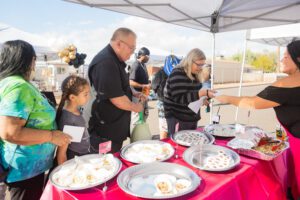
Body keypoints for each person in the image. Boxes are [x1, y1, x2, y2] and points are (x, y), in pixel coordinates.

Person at [216, 40, 300, 199]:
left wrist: (224, 97)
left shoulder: (288, 83)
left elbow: (252, 103)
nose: (281, 60)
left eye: (286, 56)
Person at [0, 40, 71, 200]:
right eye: (34, 59)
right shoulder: (18, 86)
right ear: (27, 60)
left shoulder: (13, 83)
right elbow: (10, 132)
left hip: (29, 169)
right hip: (24, 172)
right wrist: (52, 136)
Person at [88, 27, 144, 153]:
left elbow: (117, 85)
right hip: (105, 132)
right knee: (106, 165)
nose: (132, 53)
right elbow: (117, 98)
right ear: (119, 44)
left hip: (114, 128)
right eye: (132, 48)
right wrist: (136, 107)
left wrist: (133, 92)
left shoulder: (114, 60)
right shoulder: (106, 62)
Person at [163, 48, 215, 136]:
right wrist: (202, 93)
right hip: (178, 118)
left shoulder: (195, 74)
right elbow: (179, 98)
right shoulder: (177, 73)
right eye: (198, 65)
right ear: (190, 61)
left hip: (191, 117)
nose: (200, 68)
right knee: (179, 145)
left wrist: (202, 100)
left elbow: (192, 95)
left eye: (202, 65)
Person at [56, 75, 91, 165]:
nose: (89, 97)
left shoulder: (78, 110)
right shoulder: (68, 119)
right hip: (74, 158)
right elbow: (61, 153)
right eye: (85, 94)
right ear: (72, 97)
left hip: (83, 154)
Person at [151, 55, 181, 139]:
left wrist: (158, 93)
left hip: (163, 103)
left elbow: (154, 86)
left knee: (163, 125)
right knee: (173, 125)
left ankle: (164, 143)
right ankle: (173, 142)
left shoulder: (160, 73)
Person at [129, 47, 151, 129]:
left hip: (144, 94)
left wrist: (147, 86)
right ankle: (135, 137)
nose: (148, 58)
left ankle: (141, 133)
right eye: (147, 56)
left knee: (145, 114)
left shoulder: (143, 65)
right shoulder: (136, 65)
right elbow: (130, 82)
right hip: (137, 96)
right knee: (136, 118)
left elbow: (145, 81)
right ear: (142, 55)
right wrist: (143, 86)